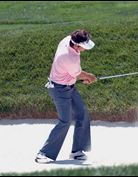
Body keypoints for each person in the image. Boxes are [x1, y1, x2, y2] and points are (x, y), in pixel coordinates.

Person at [35, 29, 97, 163]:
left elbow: (75, 75)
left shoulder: (68, 39)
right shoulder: (69, 57)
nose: (85, 49)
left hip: (69, 86)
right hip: (59, 89)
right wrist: (90, 77)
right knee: (65, 121)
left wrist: (83, 77)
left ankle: (77, 151)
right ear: (76, 45)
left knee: (82, 113)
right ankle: (44, 153)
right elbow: (79, 74)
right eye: (83, 47)